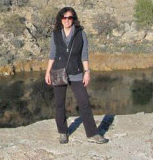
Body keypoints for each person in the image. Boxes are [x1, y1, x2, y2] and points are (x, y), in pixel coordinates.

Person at [45, 7, 108, 144]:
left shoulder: (81, 33)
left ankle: (92, 134)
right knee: (59, 104)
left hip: (77, 72)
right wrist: (47, 71)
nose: (67, 20)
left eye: (70, 18)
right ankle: (63, 132)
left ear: (74, 19)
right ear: (60, 19)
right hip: (58, 72)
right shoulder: (55, 34)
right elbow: (52, 54)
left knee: (84, 103)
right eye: (64, 17)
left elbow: (84, 55)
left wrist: (87, 72)